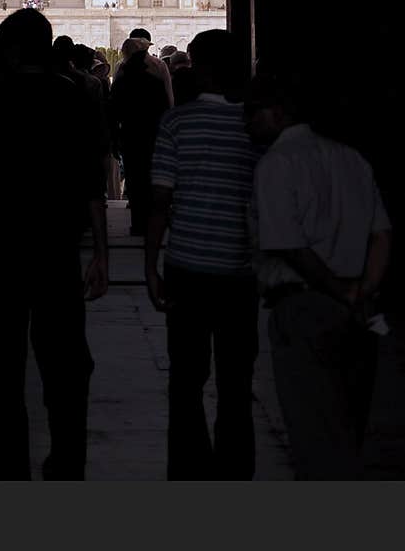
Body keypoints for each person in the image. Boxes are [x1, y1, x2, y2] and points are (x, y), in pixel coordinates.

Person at [0, 8, 109, 480]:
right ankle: (67, 463)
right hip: (55, 250)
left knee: (1, 371)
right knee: (66, 367)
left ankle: (11, 471)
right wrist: (100, 253)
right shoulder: (74, 96)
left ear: (12, 50)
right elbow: (92, 184)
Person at [246, 73, 392, 479]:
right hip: (360, 311)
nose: (248, 123)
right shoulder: (351, 158)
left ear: (278, 113)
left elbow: (289, 245)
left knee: (314, 437)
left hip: (305, 304)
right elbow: (381, 234)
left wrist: (340, 291)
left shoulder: (277, 163)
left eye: (253, 112)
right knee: (348, 428)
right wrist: (364, 291)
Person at [146, 29, 259, 479]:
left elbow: (159, 201)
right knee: (237, 384)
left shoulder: (178, 123)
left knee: (186, 382)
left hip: (188, 267)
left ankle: (190, 473)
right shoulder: (255, 126)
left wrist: (150, 263)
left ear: (206, 68)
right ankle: (234, 474)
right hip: (240, 270)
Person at [109, 39, 171, 234]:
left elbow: (114, 110)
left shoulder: (123, 76)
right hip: (152, 134)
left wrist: (114, 138)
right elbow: (166, 104)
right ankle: (153, 222)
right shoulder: (155, 76)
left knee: (136, 180)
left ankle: (138, 223)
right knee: (151, 178)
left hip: (131, 134)